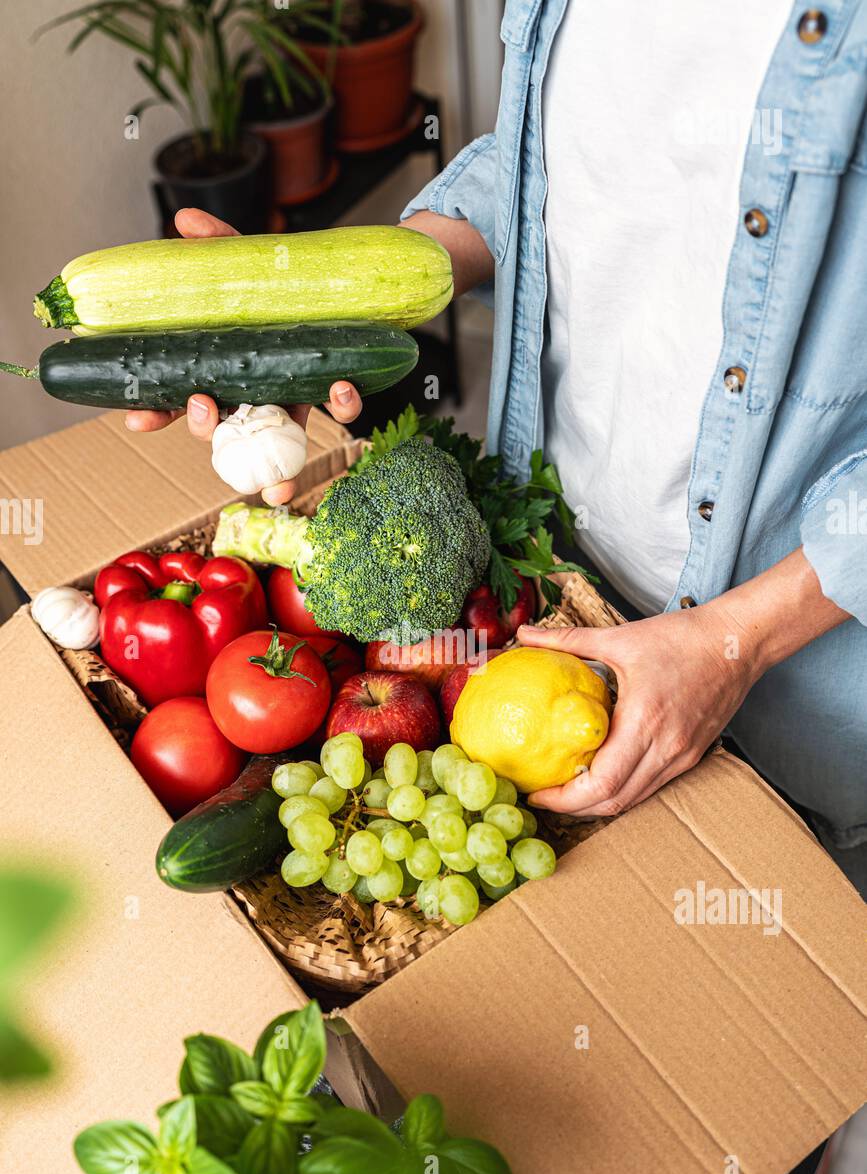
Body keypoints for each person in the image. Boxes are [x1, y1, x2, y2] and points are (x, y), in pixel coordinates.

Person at [134, 1, 866, 889]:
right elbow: (565, 172)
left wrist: (734, 642)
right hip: (551, 578)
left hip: (797, 653)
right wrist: (333, 300)